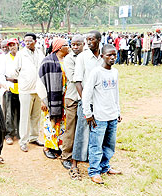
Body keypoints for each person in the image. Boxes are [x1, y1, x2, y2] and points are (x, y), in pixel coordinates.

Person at [82, 44, 122, 184]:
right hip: (99, 117)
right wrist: (88, 113)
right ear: (102, 56)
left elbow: (115, 93)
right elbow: (86, 94)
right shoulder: (96, 72)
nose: (112, 58)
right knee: (96, 145)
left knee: (109, 145)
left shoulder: (115, 72)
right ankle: (94, 171)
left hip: (112, 116)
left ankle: (105, 167)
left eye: (114, 55)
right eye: (109, 55)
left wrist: (118, 111)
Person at [72, 30, 104, 180]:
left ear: (99, 40)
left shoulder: (104, 56)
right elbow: (78, 81)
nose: (89, 42)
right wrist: (85, 102)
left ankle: (96, 162)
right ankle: (74, 164)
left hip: (101, 102)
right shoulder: (82, 57)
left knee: (98, 133)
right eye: (87, 39)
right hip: (86, 102)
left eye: (92, 39)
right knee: (81, 132)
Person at [10, 33, 45, 152]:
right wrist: (23, 79)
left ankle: (34, 137)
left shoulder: (40, 52)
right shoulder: (20, 54)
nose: (27, 43)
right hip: (25, 89)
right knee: (25, 116)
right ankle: (23, 141)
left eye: (30, 41)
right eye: (25, 41)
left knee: (36, 115)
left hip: (38, 89)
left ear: (35, 41)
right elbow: (14, 72)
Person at [37, 38, 69, 159]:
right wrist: (43, 99)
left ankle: (56, 146)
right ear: (60, 47)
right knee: (50, 123)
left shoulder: (67, 61)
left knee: (61, 123)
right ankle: (47, 147)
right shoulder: (47, 61)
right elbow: (40, 81)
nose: (69, 47)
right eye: (66, 45)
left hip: (64, 99)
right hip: (51, 99)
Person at [61, 35, 84, 171]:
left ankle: (81, 154)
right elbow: (74, 77)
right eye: (73, 44)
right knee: (71, 128)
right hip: (73, 98)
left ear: (83, 44)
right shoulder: (69, 58)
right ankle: (66, 156)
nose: (75, 47)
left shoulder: (87, 56)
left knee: (83, 128)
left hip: (87, 97)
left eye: (78, 44)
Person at [1, 38, 20, 145]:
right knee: (9, 113)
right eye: (10, 45)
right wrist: (8, 80)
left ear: (17, 45)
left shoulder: (21, 56)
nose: (12, 47)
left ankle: (19, 133)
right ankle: (9, 134)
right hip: (10, 87)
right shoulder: (5, 58)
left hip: (21, 88)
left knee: (20, 112)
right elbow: (2, 74)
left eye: (14, 44)